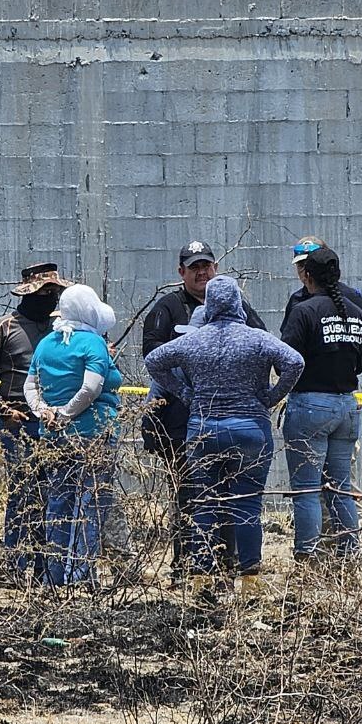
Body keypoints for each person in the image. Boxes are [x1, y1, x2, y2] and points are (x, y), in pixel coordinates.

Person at [146, 277, 303, 598]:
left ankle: (203, 579)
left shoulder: (194, 340)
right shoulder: (257, 339)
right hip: (251, 431)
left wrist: (185, 393)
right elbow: (295, 362)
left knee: (203, 502)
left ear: (210, 305)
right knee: (246, 505)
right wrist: (271, 397)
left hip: (204, 430)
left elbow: (153, 361)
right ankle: (249, 582)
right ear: (237, 304)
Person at [141, 241, 266, 582]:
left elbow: (263, 343)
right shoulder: (166, 308)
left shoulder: (239, 307)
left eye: (206, 266)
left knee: (229, 495)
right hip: (181, 424)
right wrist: (186, 386)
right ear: (181, 272)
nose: (201, 272)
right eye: (194, 267)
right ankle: (188, 567)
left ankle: (225, 563)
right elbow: (153, 356)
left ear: (215, 268)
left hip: (231, 417)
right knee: (190, 496)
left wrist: (257, 395)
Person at [0, 262, 72, 579]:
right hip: (18, 421)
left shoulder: (63, 328)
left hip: (55, 419)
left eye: (54, 292)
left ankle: (46, 565)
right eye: (45, 292)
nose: (50, 298)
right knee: (23, 492)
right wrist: (2, 410)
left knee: (53, 494)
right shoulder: (4, 328)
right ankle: (17, 564)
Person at [24, 284, 122, 588]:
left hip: (54, 438)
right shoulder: (93, 344)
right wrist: (66, 413)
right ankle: (80, 576)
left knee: (59, 504)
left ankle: (54, 577)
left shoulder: (45, 344)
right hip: (93, 435)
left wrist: (44, 412)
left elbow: (30, 385)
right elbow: (91, 388)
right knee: (91, 506)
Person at [279, 246, 362, 560]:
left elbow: (285, 359)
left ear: (307, 275)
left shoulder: (303, 311)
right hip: (347, 406)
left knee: (306, 490)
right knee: (341, 488)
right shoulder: (356, 312)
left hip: (310, 406)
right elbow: (360, 363)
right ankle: (349, 556)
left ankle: (308, 559)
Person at [282, 236, 362, 359]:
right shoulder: (296, 300)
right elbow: (288, 348)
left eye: (311, 263)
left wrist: (333, 352)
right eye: (300, 265)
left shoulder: (352, 297)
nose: (305, 270)